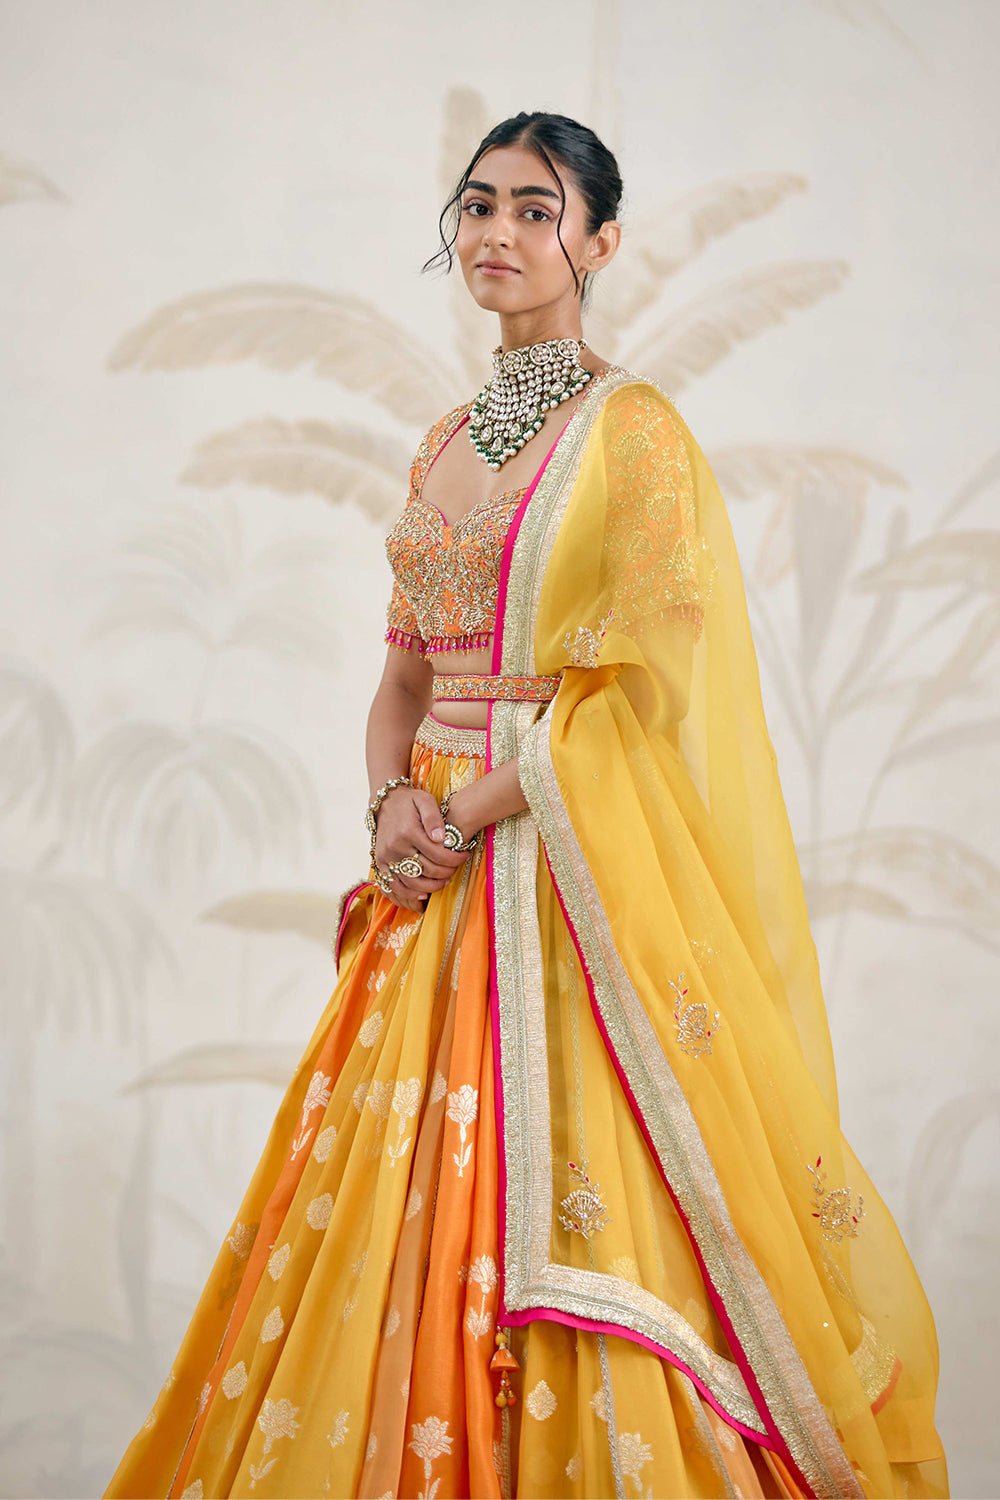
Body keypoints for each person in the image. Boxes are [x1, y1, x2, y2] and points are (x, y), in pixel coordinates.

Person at [103, 112, 950, 1500]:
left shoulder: (635, 433)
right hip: (431, 868)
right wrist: (390, 802)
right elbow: (402, 675)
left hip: (559, 863)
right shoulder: (442, 438)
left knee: (590, 1174)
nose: (497, 233)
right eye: (479, 204)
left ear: (598, 243)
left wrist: (465, 812)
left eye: (535, 210)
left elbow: (639, 685)